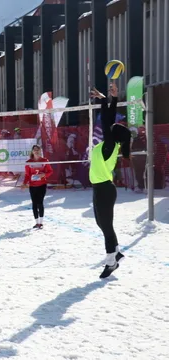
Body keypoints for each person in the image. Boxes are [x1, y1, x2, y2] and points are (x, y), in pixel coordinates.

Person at [89, 83, 131, 279]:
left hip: (104, 190)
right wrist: (107, 99)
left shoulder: (109, 145)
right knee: (102, 224)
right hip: (102, 189)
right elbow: (107, 121)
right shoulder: (111, 145)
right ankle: (116, 251)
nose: (111, 127)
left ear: (114, 135)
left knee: (105, 227)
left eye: (114, 128)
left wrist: (107, 99)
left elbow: (107, 121)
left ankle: (111, 262)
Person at [21, 145, 53, 229]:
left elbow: (50, 171)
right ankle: (36, 222)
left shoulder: (44, 161)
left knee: (40, 203)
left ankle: (41, 223)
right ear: (32, 151)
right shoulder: (29, 162)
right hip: (32, 186)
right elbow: (27, 175)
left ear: (40, 151)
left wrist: (44, 174)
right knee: (34, 204)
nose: (36, 151)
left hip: (42, 185)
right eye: (35, 150)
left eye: (38, 150)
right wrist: (24, 183)